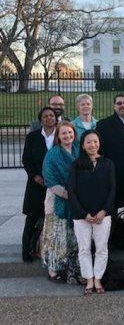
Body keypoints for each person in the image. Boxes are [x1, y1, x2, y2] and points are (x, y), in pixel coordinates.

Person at [68, 130, 115, 295]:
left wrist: (104, 211)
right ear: (82, 145)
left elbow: (112, 190)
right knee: (84, 248)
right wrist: (83, 214)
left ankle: (98, 279)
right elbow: (71, 191)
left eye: (95, 141)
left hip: (103, 215)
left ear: (99, 143)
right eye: (88, 142)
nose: (92, 145)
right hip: (82, 216)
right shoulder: (76, 165)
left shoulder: (108, 164)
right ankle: (89, 279)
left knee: (102, 248)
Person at [41, 121, 80, 284]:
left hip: (77, 201)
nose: (67, 136)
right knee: (56, 236)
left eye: (70, 132)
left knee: (72, 237)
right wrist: (68, 194)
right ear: (58, 136)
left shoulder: (79, 150)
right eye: (63, 133)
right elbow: (49, 178)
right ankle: (53, 269)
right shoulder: (52, 154)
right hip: (57, 199)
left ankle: (72, 267)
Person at [21, 107, 57, 263]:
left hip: (56, 184)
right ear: (40, 120)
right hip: (36, 184)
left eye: (51, 116)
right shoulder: (33, 137)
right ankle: (26, 250)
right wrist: (35, 176)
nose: (49, 118)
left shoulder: (61, 136)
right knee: (32, 218)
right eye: (45, 116)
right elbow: (26, 159)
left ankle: (49, 250)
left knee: (53, 220)